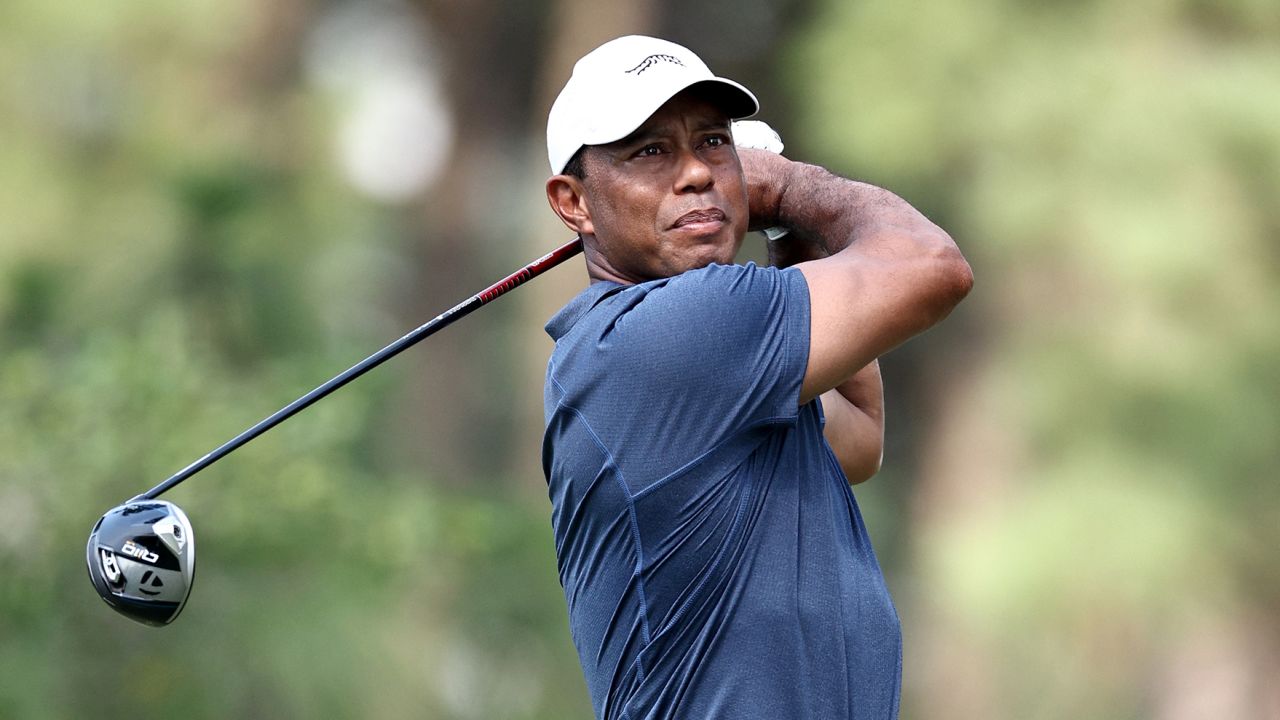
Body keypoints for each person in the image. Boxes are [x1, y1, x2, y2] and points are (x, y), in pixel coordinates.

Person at [540, 35, 972, 720]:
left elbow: (858, 437)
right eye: (649, 152)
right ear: (575, 202)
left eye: (713, 143)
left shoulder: (722, 371)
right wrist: (795, 186)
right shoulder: (674, 336)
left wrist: (783, 233)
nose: (695, 173)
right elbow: (933, 266)